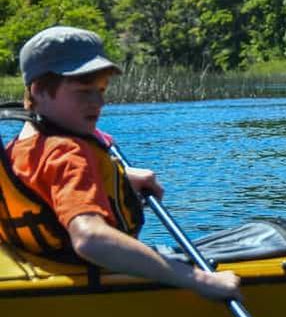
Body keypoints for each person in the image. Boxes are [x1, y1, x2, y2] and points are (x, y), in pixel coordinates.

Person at [2, 26, 240, 300]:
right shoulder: (70, 153)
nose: (99, 101)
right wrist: (199, 280)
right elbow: (90, 239)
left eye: (101, 90)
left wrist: (116, 180)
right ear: (40, 91)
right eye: (84, 91)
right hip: (83, 285)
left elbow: (42, 195)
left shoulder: (16, 150)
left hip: (41, 268)